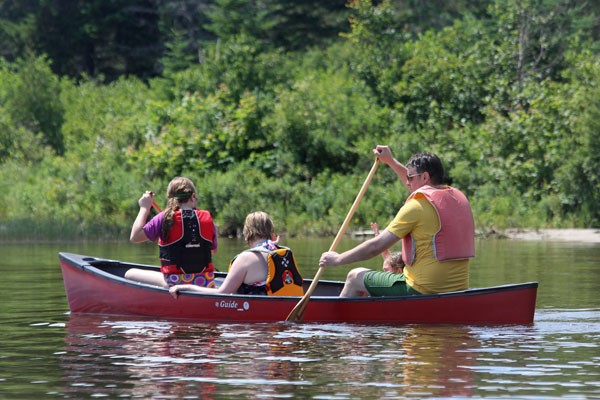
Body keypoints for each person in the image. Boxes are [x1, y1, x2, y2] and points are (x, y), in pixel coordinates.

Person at [319, 145, 475, 297]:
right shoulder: (458, 199)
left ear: (425, 177)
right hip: (457, 289)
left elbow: (376, 246)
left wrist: (337, 259)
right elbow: (419, 189)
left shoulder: (416, 207)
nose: (407, 182)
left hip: (423, 289)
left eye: (410, 178)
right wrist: (391, 161)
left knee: (354, 277)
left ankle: (337, 321)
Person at [169, 211, 304, 297]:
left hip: (256, 330)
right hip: (283, 310)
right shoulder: (283, 253)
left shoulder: (245, 258)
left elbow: (223, 293)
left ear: (247, 234)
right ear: (271, 231)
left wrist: (186, 287)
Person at [126, 176, 218, 288]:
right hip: (206, 283)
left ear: (170, 199)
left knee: (129, 273)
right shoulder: (207, 218)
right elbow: (213, 250)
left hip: (174, 283)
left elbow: (135, 237)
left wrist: (144, 208)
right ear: (193, 197)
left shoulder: (163, 218)